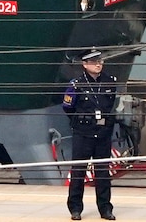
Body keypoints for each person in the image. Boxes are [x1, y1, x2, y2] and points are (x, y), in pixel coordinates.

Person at [62, 49, 118, 221]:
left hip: (102, 133)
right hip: (83, 133)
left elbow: (110, 105)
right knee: (78, 172)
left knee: (102, 172)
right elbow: (68, 107)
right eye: (94, 61)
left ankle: (105, 209)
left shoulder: (110, 82)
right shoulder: (76, 84)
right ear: (84, 64)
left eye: (100, 60)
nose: (98, 64)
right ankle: (75, 208)